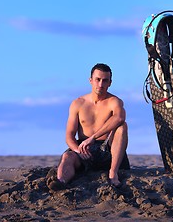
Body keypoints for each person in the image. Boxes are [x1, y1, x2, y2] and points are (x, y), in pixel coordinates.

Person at [47, 63, 130, 191]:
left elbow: (119, 118)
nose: (101, 84)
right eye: (98, 80)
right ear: (90, 80)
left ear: (110, 83)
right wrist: (78, 150)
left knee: (122, 127)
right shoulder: (78, 103)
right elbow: (69, 136)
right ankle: (61, 182)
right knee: (67, 157)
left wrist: (93, 137)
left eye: (105, 81)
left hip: (108, 150)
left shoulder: (114, 101)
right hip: (84, 150)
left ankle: (113, 174)